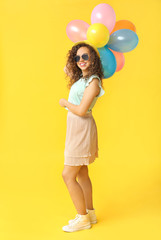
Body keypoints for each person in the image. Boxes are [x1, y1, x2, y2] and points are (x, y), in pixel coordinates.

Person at [59, 42, 105, 232]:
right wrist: (78, 54)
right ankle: (90, 213)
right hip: (76, 129)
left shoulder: (93, 82)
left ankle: (83, 218)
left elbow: (81, 110)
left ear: (93, 59)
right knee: (82, 173)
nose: (80, 61)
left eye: (85, 56)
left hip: (81, 129)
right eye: (77, 57)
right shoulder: (81, 78)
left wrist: (65, 103)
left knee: (67, 175)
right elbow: (66, 68)